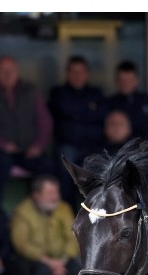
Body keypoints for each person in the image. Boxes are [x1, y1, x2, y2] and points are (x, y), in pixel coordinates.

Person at [0, 55, 54, 209]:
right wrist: (2, 145)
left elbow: (46, 123)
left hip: (28, 149)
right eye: (3, 71)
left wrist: (38, 146)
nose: (7, 74)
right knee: (1, 165)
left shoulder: (31, 91)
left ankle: (40, 211)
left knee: (47, 167)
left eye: (11, 70)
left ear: (17, 72)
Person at [10, 174, 81, 275]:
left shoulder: (63, 208)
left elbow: (73, 238)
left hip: (62, 260)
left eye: (56, 192)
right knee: (42, 272)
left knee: (78, 268)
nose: (55, 197)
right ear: (36, 195)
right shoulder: (22, 211)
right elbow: (21, 244)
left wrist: (61, 262)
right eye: (50, 193)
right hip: (37, 261)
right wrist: (49, 263)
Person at [48, 55, 106, 212]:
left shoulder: (96, 93)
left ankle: (97, 212)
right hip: (68, 146)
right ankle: (68, 211)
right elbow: (64, 109)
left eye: (81, 71)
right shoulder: (58, 92)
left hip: (92, 147)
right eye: (73, 71)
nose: (77, 75)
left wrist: (74, 114)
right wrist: (87, 111)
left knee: (99, 164)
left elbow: (101, 117)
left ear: (87, 74)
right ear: (67, 73)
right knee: (66, 159)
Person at [104, 60, 148, 140]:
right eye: (122, 80)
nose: (125, 84)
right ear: (116, 81)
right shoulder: (108, 104)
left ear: (137, 80)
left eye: (129, 80)